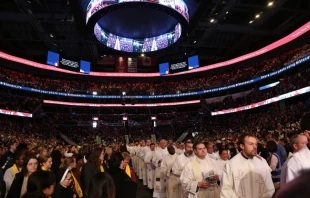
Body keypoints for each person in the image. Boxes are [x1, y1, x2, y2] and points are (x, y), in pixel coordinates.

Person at [220, 134, 275, 198]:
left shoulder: (262, 161)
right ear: (242, 146)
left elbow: (269, 185)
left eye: (256, 144)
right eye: (251, 144)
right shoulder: (231, 164)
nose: (255, 147)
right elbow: (225, 190)